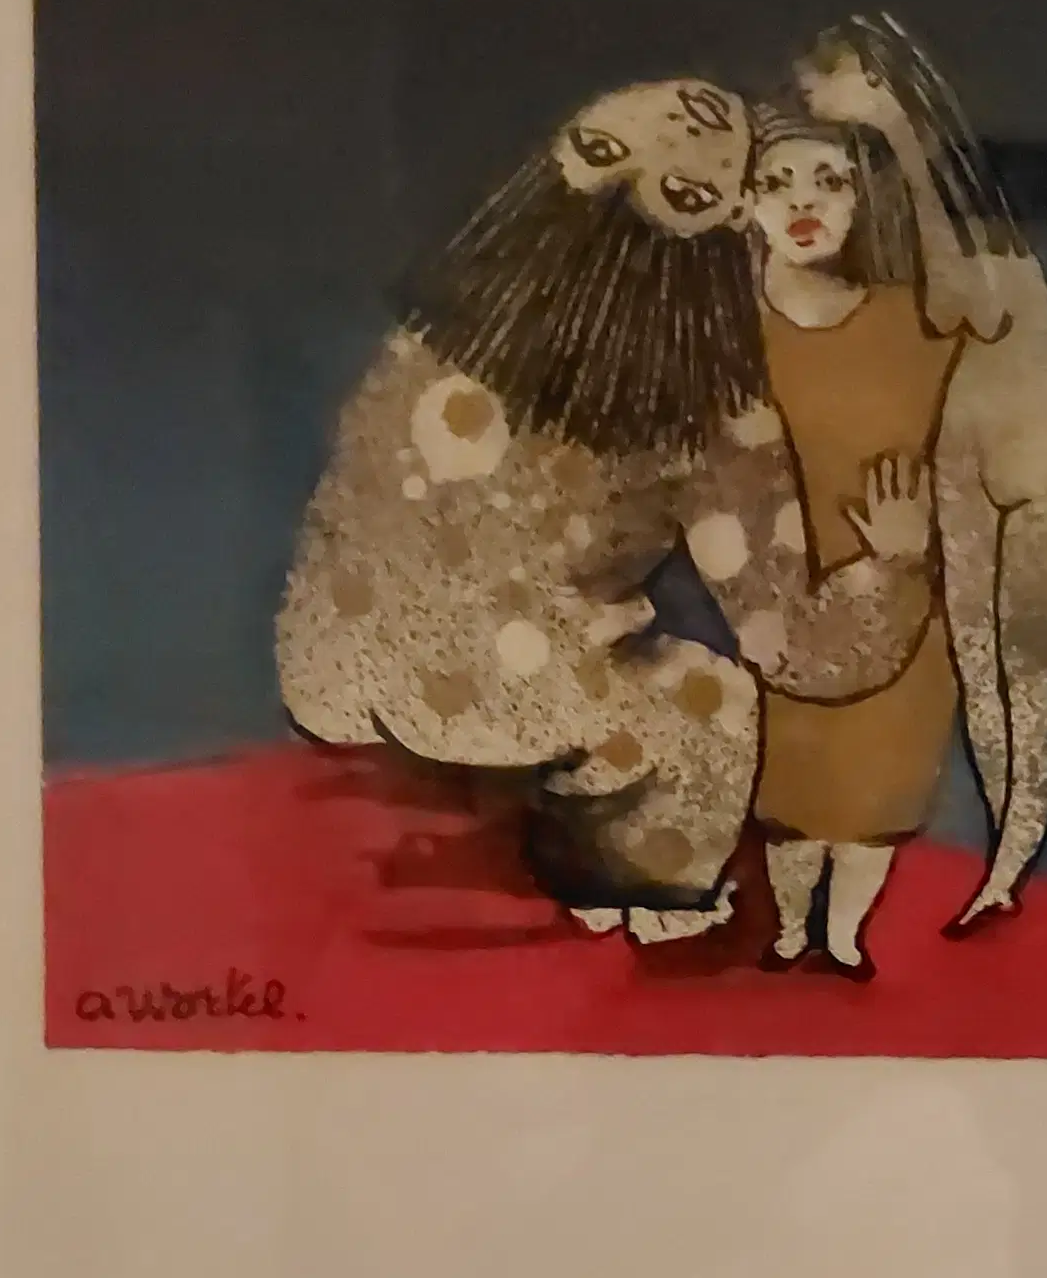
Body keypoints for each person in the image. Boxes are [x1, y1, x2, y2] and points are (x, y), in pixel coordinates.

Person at [275, 77, 933, 941]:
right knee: (713, 709)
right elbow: (801, 649)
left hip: (324, 661)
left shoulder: (430, 336)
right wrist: (892, 563)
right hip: (512, 701)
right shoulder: (711, 409)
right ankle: (637, 887)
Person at [781, 14, 1047, 947]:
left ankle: (1010, 864)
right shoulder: (914, 237)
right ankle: (1001, 864)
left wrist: (896, 131)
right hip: (967, 462)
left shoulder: (993, 248)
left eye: (827, 84)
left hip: (1034, 475)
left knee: (1030, 678)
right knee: (980, 670)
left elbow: (968, 300)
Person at [743, 100, 969, 977]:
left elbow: (975, 451)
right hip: (766, 608)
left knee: (878, 794)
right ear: (744, 204)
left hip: (908, 602)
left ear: (858, 201)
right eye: (778, 182)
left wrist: (916, 544)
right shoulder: (724, 341)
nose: (804, 202)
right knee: (790, 796)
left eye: (828, 182)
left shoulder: (915, 325)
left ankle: (843, 939)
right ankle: (789, 930)